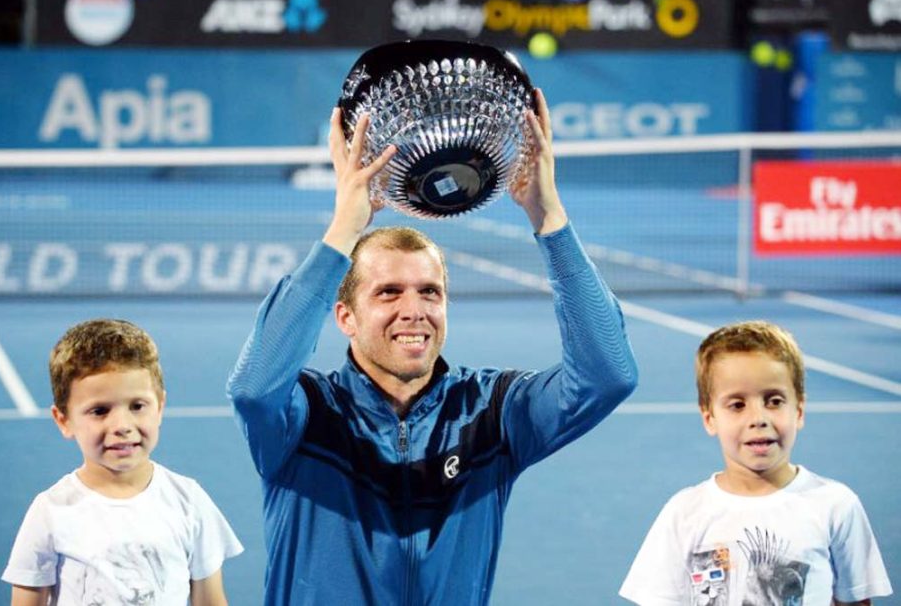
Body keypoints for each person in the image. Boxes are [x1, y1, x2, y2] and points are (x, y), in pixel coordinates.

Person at [227, 88, 638, 606]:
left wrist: (548, 218)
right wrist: (343, 230)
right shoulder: (304, 416)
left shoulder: (492, 413)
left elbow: (609, 375)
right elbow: (252, 386)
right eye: (388, 293)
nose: (413, 310)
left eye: (430, 292)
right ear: (345, 317)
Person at [620, 320, 893, 606]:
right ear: (709, 418)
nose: (758, 418)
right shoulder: (683, 513)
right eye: (737, 405)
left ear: (799, 410)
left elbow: (855, 601)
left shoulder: (836, 506)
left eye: (774, 401)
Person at [3, 319, 244, 606]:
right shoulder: (50, 512)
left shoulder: (189, 501)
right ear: (64, 420)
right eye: (100, 411)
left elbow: (211, 600)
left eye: (137, 406)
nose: (122, 425)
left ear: (160, 407)